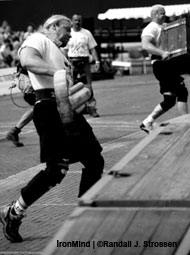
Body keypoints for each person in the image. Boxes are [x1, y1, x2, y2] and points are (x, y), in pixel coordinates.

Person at [0, 14, 104, 243]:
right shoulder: (38, 39)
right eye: (66, 29)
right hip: (48, 108)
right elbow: (27, 60)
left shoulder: (60, 52)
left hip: (66, 107)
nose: (69, 34)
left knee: (95, 160)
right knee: (57, 169)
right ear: (54, 26)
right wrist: (55, 73)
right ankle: (14, 211)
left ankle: (83, 215)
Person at [140, 4, 189, 133]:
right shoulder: (150, 28)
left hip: (166, 65)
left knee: (169, 100)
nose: (165, 15)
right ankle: (187, 125)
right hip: (162, 65)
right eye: (162, 13)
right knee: (182, 92)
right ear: (155, 14)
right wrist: (161, 52)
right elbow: (145, 45)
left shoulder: (163, 27)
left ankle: (147, 122)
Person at [64, 14, 100, 117]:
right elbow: (64, 50)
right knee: (72, 87)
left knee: (88, 86)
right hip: (72, 62)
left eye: (79, 20)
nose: (77, 22)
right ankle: (75, 109)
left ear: (81, 21)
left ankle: (92, 108)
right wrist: (65, 64)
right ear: (72, 21)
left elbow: (93, 49)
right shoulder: (68, 33)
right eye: (75, 20)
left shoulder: (86, 33)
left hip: (84, 61)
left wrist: (97, 62)